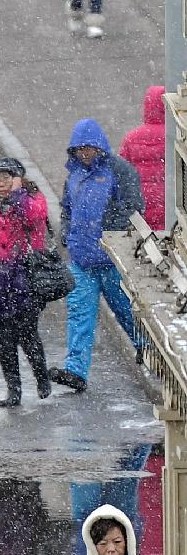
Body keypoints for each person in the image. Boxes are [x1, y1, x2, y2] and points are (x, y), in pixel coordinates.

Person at [49, 119, 145, 393]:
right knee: (80, 314)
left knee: (127, 312)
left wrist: (104, 224)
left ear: (99, 146)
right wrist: (68, 232)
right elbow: (67, 208)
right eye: (80, 149)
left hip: (112, 260)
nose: (85, 153)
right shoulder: (75, 175)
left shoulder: (119, 171)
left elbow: (133, 207)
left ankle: (148, 353)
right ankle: (75, 370)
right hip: (82, 261)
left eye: (89, 148)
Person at [0, 157, 51, 407]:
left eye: (6, 178)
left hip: (26, 278)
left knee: (28, 335)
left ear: (18, 179)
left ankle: (41, 378)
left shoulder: (32, 199)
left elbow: (36, 218)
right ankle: (13, 389)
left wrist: (18, 197)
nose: (1, 184)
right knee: (4, 340)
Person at [119, 86, 166, 231]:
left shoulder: (131, 138)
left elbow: (122, 175)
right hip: (169, 207)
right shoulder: (175, 135)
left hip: (142, 209)